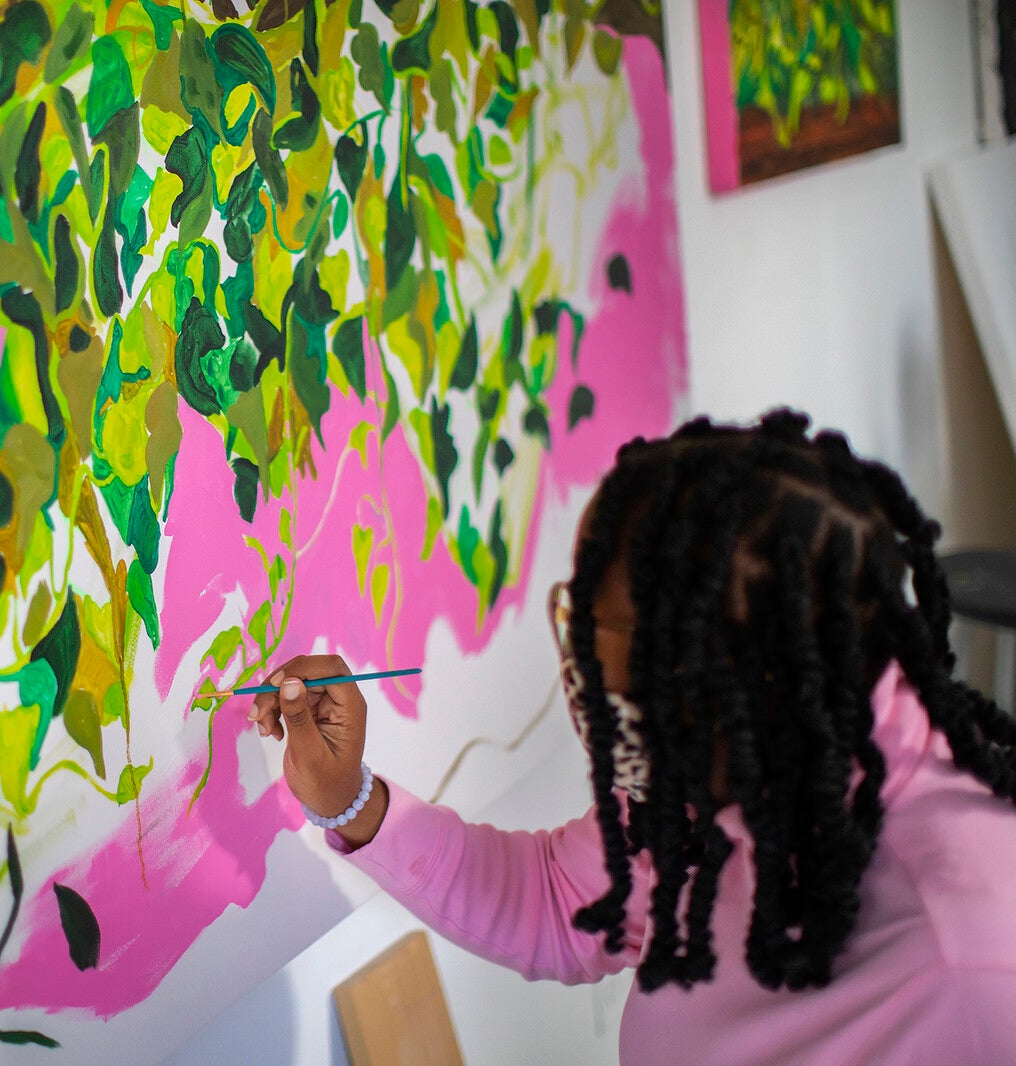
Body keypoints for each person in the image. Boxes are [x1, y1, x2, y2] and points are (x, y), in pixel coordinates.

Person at [248, 411, 1016, 1064]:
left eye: (598, 631)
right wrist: (350, 803)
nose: (575, 657)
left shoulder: (968, 969)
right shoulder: (710, 773)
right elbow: (557, 902)